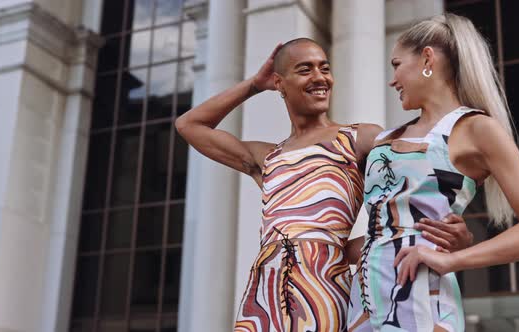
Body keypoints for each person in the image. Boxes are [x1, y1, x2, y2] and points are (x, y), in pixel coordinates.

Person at [175, 38, 472, 332]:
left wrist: (449, 239)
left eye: (324, 68)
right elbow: (189, 125)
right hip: (265, 292)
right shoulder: (268, 156)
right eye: (305, 69)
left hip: (325, 284)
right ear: (279, 83)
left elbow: (420, 183)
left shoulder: (360, 139)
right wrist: (254, 84)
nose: (320, 77)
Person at [348, 13, 519, 332]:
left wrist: (453, 259)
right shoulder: (385, 137)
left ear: (427, 58)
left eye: (397, 65)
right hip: (364, 301)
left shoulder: (476, 129)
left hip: (422, 298)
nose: (392, 80)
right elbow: (384, 232)